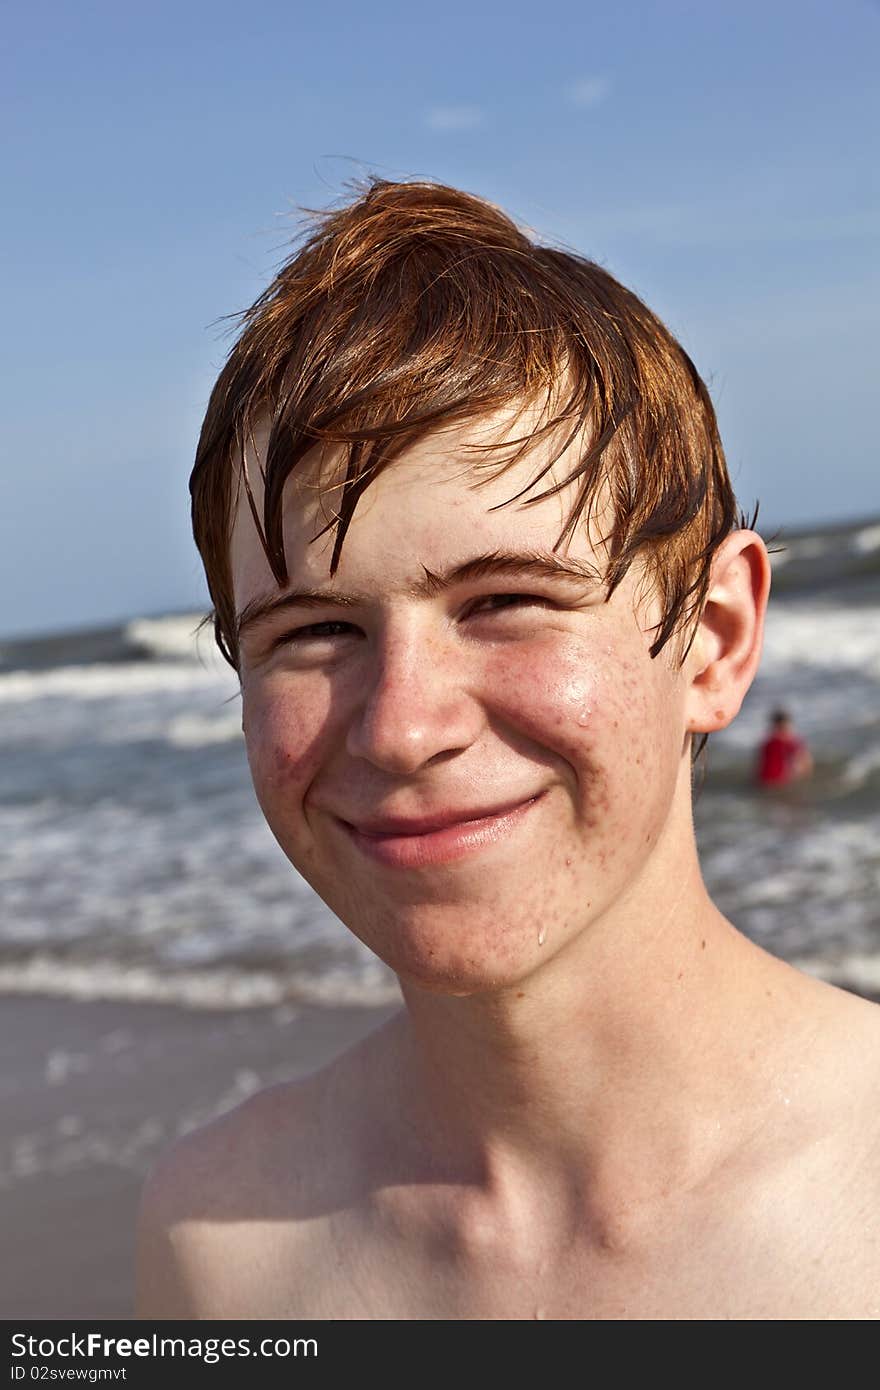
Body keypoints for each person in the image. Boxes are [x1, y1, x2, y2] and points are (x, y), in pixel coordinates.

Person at [136, 179, 880, 1319]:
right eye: (316, 630)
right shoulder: (221, 1239)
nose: (400, 724)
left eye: (504, 601)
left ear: (716, 640)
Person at [756, 708, 813, 787]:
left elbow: (759, 764)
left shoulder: (767, 742)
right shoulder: (792, 742)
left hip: (766, 781)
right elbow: (805, 763)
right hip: (783, 781)